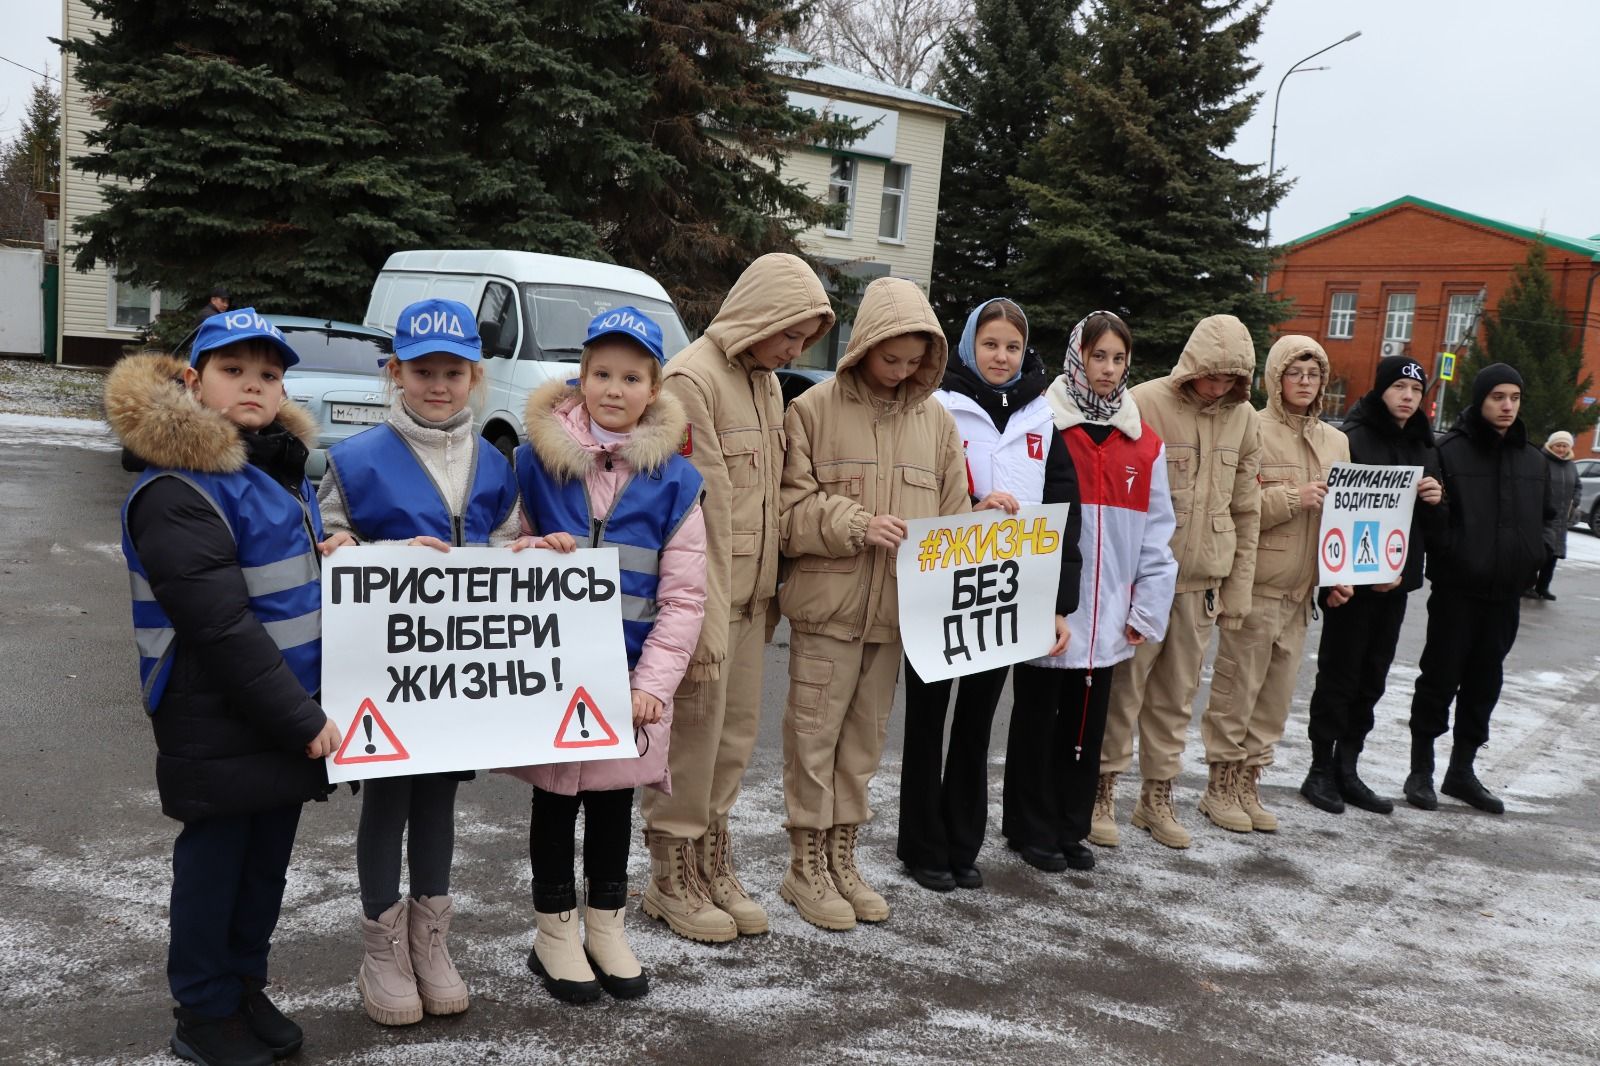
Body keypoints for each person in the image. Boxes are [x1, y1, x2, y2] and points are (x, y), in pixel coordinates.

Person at [105, 311, 343, 1066]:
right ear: (193, 380)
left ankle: (245, 985)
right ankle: (202, 1012)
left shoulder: (269, 470)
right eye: (234, 370)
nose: (254, 385)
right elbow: (221, 627)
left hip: (282, 712)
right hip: (218, 714)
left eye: (269, 375)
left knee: (264, 863)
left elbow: (283, 582)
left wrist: (331, 550)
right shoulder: (175, 490)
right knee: (215, 865)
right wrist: (299, 718)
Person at [777, 276, 1018, 930]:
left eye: (916, 362)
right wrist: (854, 523)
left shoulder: (936, 421)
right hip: (828, 611)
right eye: (892, 360)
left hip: (894, 621)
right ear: (866, 347)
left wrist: (981, 515)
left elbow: (949, 520)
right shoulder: (813, 410)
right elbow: (787, 516)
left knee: (861, 747)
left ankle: (843, 858)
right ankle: (805, 867)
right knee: (814, 741)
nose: (902, 373)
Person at [318, 299, 521, 1027]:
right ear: (395, 371)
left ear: (474, 376)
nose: (439, 385)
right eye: (424, 371)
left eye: (454, 372)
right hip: (385, 674)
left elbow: (504, 548)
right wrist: (368, 555)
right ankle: (382, 944)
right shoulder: (355, 459)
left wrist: (527, 557)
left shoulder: (497, 464)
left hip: (455, 677)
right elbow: (332, 551)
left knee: (438, 801)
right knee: (388, 802)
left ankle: (431, 941)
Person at [505, 307, 707, 1002]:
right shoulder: (535, 463)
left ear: (654, 388)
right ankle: (553, 932)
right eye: (601, 374)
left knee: (616, 802)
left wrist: (653, 683)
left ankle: (606, 924)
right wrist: (526, 549)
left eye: (630, 376)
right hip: (552, 678)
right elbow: (499, 551)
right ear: (580, 378)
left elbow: (684, 598)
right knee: (556, 804)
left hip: (629, 682)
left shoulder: (677, 481)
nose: (613, 389)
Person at [640, 253, 834, 943]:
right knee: (692, 740)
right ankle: (670, 871)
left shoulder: (768, 383)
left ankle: (710, 855)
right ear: (762, 314)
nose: (795, 351)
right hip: (706, 604)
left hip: (754, 599)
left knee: (733, 739)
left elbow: (776, 490)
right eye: (791, 336)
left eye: (806, 341)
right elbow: (705, 515)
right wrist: (708, 624)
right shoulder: (694, 378)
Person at [899, 298, 1083, 890]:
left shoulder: (1042, 417)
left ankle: (962, 841)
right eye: (989, 345)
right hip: (940, 589)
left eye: (1011, 346)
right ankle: (923, 845)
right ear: (968, 346)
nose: (1000, 357)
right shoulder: (936, 407)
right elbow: (918, 490)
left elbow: (1065, 516)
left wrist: (1059, 602)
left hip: (1002, 598)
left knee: (977, 723)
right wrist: (969, 512)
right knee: (927, 722)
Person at [1006, 311, 1176, 872]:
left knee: (1086, 726)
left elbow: (1157, 531)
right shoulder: (1045, 425)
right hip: (1051, 604)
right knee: (1038, 722)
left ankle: (1069, 825)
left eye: (1118, 358)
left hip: (1109, 612)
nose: (1107, 369)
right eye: (1098, 356)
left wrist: (1146, 605)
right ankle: (1029, 827)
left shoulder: (1143, 443)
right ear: (1078, 357)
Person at [1092, 315, 1263, 850]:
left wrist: (1237, 589)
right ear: (1192, 366)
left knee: (1177, 698)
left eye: (1231, 379)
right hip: (1144, 580)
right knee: (1124, 692)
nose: (1219, 387)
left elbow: (1247, 508)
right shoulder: (1145, 403)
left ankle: (1156, 797)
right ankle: (1101, 793)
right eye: (1212, 375)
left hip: (1202, 585)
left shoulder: (1245, 420)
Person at [1196, 337, 1350, 834]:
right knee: (1236, 691)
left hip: (1302, 593)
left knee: (1275, 699)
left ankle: (1249, 782)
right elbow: (1234, 505)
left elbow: (1345, 519)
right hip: (1258, 584)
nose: (1305, 384)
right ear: (1275, 378)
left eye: (1314, 375)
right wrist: (1292, 497)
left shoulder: (1336, 441)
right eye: (1295, 373)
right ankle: (1218, 787)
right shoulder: (1253, 428)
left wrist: (1338, 575)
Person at [1301, 356, 1443, 815]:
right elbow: (1334, 516)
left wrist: (1437, 500)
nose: (1407, 397)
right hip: (1351, 587)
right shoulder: (1352, 438)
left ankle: (1349, 767)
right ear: (1382, 388)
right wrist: (1333, 580)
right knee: (1339, 676)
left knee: (1373, 679)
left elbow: (1429, 527)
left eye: (1416, 391)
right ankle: (1320, 769)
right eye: (1400, 387)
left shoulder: (1425, 445)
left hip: (1395, 585)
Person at [1406, 364, 1551, 815]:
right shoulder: (1448, 450)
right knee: (1440, 678)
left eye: (1515, 397)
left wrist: (1535, 557)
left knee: (1485, 684)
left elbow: (1547, 518)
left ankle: (1462, 772)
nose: (1507, 406)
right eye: (1498, 397)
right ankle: (1421, 770)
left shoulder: (1534, 459)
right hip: (1457, 591)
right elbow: (1433, 517)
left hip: (1505, 595)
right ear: (1481, 399)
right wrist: (1455, 552)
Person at [1530, 430, 1579, 601]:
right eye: (1558, 445)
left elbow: (1577, 486)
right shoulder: (1542, 461)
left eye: (1565, 446)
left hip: (1561, 518)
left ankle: (1543, 587)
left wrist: (1576, 500)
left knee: (1553, 555)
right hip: (1543, 516)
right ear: (1551, 445)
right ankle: (1528, 586)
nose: (1561, 449)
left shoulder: (1571, 465)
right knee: (1539, 552)